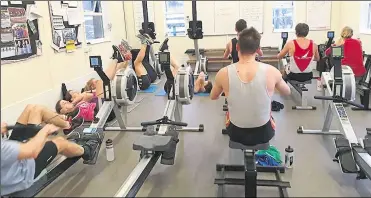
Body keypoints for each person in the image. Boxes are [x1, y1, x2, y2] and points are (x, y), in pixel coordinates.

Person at [210, 27, 291, 146]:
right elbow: (287, 92)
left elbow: (213, 97)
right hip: (264, 133)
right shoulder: (272, 71)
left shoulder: (223, 73)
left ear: (237, 47)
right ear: (258, 49)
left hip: (235, 132)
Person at [1, 120, 98, 195]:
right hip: (22, 175)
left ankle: (73, 147)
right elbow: (32, 152)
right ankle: (87, 151)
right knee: (60, 142)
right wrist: (45, 130)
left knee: (45, 141)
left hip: (6, 178)